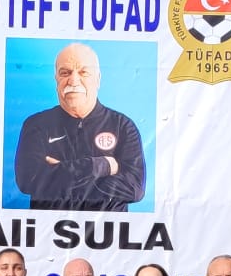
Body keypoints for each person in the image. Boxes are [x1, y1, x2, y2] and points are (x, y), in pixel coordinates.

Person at [12, 41, 146, 211]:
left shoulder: (123, 127)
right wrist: (102, 165)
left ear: (98, 79)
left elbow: (135, 189)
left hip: (105, 228)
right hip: (50, 226)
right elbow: (28, 182)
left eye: (84, 72)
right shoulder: (36, 125)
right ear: (56, 79)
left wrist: (60, 174)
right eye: (65, 72)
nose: (73, 81)